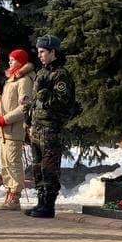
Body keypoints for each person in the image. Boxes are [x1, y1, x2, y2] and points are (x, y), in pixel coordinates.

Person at [25, 35, 77, 219]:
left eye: (43, 52)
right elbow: (34, 101)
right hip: (37, 127)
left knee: (49, 167)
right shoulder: (41, 73)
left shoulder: (60, 74)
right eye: (38, 52)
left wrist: (46, 95)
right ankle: (40, 201)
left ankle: (48, 204)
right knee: (38, 167)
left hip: (51, 128)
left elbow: (64, 101)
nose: (39, 55)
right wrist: (28, 120)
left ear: (53, 52)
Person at [0, 48, 34, 211]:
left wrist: (6, 119)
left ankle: (15, 196)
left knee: (13, 162)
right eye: (9, 59)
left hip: (14, 129)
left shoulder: (24, 80)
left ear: (21, 62)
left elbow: (24, 107)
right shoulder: (11, 80)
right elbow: (4, 105)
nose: (10, 62)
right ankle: (9, 192)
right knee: (5, 163)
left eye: (13, 59)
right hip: (4, 130)